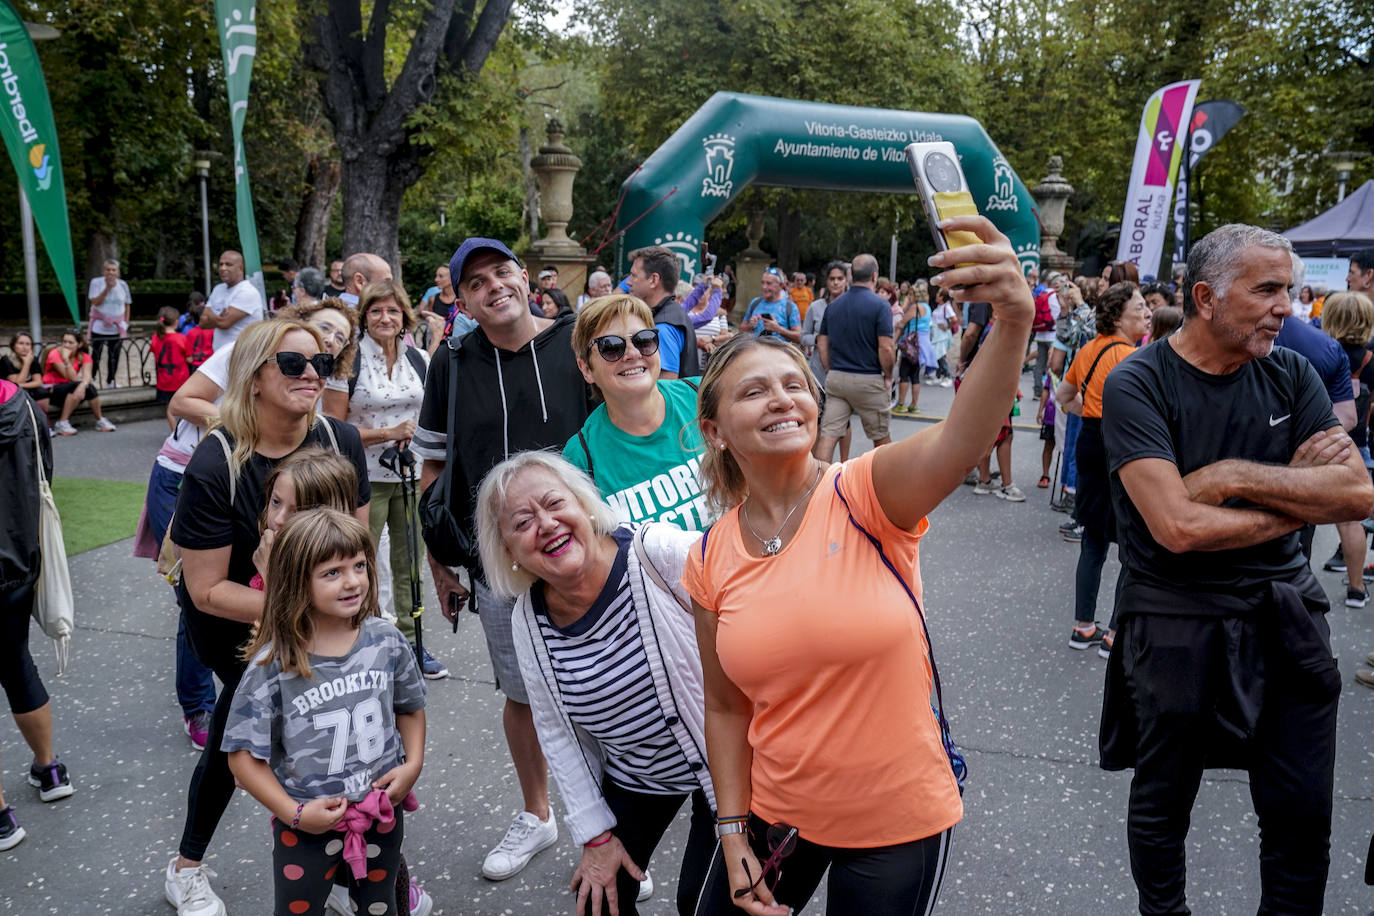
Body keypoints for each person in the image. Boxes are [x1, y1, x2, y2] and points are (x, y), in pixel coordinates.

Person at [685, 214, 1032, 914]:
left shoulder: (867, 490)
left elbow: (963, 434)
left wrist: (1014, 317)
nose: (783, 396)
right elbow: (724, 706)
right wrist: (729, 831)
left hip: (896, 818)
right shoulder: (709, 554)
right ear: (717, 432)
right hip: (775, 813)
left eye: (793, 383)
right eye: (754, 391)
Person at [1099, 224, 1374, 916]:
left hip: (1285, 615)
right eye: (1268, 289)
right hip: (1173, 620)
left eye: (1288, 287)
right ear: (1205, 298)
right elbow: (1177, 527)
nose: (1290, 305)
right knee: (1164, 806)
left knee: (1301, 817)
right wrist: (1293, 499)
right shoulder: (1139, 380)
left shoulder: (1291, 372)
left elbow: (1358, 492)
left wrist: (1224, 477)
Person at [162, 319, 370, 916]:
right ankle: (186, 869)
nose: (312, 376)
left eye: (321, 365)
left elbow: (352, 544)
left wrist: (345, 612)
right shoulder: (217, 461)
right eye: (293, 364)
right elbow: (206, 591)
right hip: (238, 629)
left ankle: (350, 869)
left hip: (324, 621)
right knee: (240, 740)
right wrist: (302, 606)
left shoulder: (339, 440)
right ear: (253, 377)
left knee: (340, 739)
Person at [412, 237, 594, 882]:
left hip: (585, 552)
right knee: (523, 692)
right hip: (498, 561)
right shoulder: (453, 360)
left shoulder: (577, 343)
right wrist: (441, 563)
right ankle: (538, 815)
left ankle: (610, 830)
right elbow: (433, 462)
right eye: (476, 282)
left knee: (603, 687)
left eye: (502, 273)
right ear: (460, 299)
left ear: (524, 277)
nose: (494, 287)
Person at [475, 452, 717, 915]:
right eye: (522, 521)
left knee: (702, 903)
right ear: (508, 549)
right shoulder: (528, 619)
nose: (545, 524)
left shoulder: (656, 553)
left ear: (584, 503)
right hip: (639, 773)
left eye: (553, 503)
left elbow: (749, 591)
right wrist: (596, 835)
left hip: (724, 761)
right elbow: (558, 733)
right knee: (599, 900)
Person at [224, 508, 426, 916]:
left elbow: (410, 707)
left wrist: (413, 764)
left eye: (358, 566)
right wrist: (294, 813)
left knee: (380, 905)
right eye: (332, 572)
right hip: (306, 826)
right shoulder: (273, 665)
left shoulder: (386, 640)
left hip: (379, 812)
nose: (352, 581)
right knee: (299, 910)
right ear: (298, 581)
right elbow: (242, 758)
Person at [324, 280, 446, 677]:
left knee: (410, 561)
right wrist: (386, 434)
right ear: (364, 316)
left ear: (404, 316)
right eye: (376, 310)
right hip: (363, 477)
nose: (385, 318)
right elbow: (331, 427)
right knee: (361, 563)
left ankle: (413, 642)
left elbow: (431, 415)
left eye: (393, 311)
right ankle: (363, 640)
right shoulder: (350, 360)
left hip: (410, 473)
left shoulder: (418, 360)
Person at [1054, 283, 1150, 656]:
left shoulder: (1090, 349)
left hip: (1092, 443)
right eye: (1140, 307)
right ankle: (1113, 633)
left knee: (1093, 539)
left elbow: (1064, 398)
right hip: (1122, 448)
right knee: (1131, 540)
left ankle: (1083, 626)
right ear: (1118, 315)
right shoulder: (1135, 358)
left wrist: (1089, 413)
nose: (1146, 313)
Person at [0, 378, 75, 854]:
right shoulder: (20, 401)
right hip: (18, 557)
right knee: (15, 659)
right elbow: (43, 470)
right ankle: (48, 768)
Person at [563, 295, 709, 530]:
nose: (632, 354)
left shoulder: (705, 396)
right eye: (611, 346)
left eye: (644, 340)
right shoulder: (580, 457)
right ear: (586, 368)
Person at [1317, 289, 1374, 607]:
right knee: (1353, 521)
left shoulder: (1322, 355)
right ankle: (1356, 588)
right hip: (1359, 446)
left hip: (1323, 446)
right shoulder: (1370, 360)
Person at [813, 253, 894, 460]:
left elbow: (822, 341)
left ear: (850, 276)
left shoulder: (833, 305)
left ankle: (822, 484)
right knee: (880, 438)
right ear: (874, 276)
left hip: (837, 378)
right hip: (868, 378)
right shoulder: (880, 305)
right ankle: (882, 485)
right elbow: (886, 348)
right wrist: (888, 375)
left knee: (828, 435)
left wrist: (829, 368)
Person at [958, 297, 1023, 502]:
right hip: (997, 388)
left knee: (987, 435)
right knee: (1005, 435)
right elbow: (1000, 363)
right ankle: (1006, 484)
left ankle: (984, 481)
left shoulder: (992, 328)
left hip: (985, 386)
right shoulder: (997, 330)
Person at [800, 262, 853, 462]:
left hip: (843, 370)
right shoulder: (816, 307)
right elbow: (803, 336)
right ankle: (817, 464)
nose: (836, 283)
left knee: (844, 422)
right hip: (818, 374)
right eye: (832, 279)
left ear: (846, 281)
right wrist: (820, 338)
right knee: (819, 419)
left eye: (840, 279)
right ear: (827, 281)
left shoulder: (851, 306)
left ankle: (846, 462)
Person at [627, 246, 700, 378]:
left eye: (633, 275)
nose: (628, 282)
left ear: (653, 280)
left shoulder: (663, 328)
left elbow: (666, 387)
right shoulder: (673, 313)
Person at [43, 331, 115, 436]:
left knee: (89, 387)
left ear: (79, 344)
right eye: (64, 342)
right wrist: (66, 360)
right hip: (52, 390)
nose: (66, 345)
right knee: (78, 386)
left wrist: (83, 384)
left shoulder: (84, 356)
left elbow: (87, 376)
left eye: (70, 342)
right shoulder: (55, 354)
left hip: (71, 390)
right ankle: (62, 423)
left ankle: (100, 420)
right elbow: (69, 377)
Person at [201, 251, 265, 349]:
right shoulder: (218, 289)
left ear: (241, 268)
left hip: (242, 355)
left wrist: (210, 314)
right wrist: (219, 317)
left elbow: (224, 323)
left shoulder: (247, 292)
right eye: (221, 264)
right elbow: (202, 322)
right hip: (220, 355)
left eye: (228, 264)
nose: (223, 268)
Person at [87, 258, 132, 386]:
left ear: (117, 272)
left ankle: (110, 380)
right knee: (95, 355)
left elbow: (127, 304)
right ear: (104, 271)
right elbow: (95, 302)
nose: (111, 272)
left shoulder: (123, 285)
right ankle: (91, 379)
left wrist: (126, 323)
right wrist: (107, 288)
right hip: (99, 326)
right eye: (108, 270)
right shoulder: (96, 283)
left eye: (113, 270)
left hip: (116, 327)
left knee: (114, 356)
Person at [892, 291, 932, 416]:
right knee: (915, 376)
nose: (909, 297)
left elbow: (902, 323)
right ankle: (914, 404)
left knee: (904, 374)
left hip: (910, 344)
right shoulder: (927, 307)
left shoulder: (915, 307)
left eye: (911, 295)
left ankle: (901, 404)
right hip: (922, 344)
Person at [739, 268, 802, 346]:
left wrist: (778, 329)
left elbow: (799, 337)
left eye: (769, 283)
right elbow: (741, 329)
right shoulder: (755, 302)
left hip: (779, 354)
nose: (764, 287)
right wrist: (750, 326)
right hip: (755, 353)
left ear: (781, 285)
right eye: (762, 283)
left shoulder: (789, 307)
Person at [1, 333, 52, 418]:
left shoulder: (33, 359)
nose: (24, 347)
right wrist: (27, 363)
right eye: (21, 343)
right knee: (22, 394)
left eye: (28, 344)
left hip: (25, 387)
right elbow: (16, 382)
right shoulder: (6, 360)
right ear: (14, 346)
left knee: (42, 392)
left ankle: (42, 421)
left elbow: (38, 382)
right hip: (9, 391)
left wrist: (20, 385)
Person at [151, 306, 192, 412]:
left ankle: (173, 428)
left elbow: (155, 354)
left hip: (163, 379)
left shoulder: (155, 337)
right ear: (176, 321)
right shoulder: (181, 338)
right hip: (180, 379)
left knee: (169, 408)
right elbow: (189, 359)